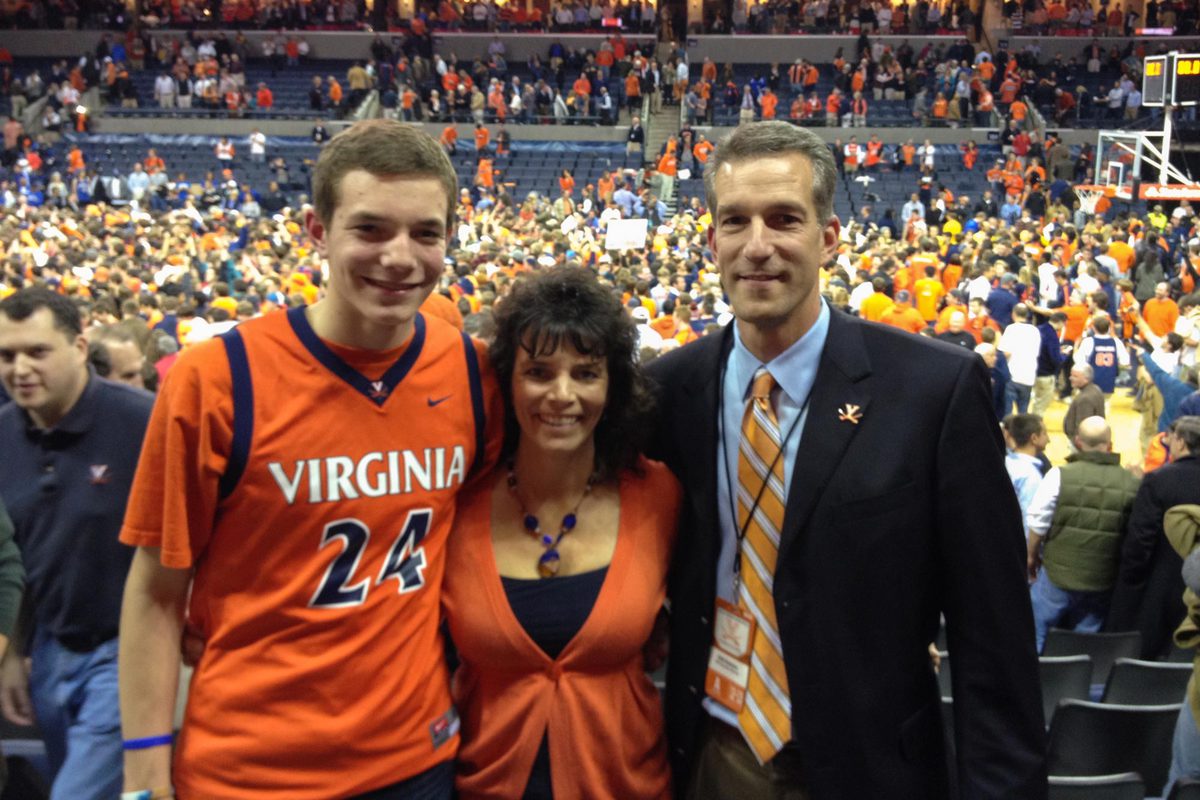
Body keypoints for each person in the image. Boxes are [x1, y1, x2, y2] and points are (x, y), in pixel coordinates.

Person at [645, 121, 1046, 799]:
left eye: (784, 219)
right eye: (735, 221)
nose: (758, 246)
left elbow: (994, 642)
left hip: (873, 769)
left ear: (830, 237)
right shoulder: (668, 391)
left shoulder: (933, 391)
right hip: (712, 758)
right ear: (711, 239)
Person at [116, 120, 503, 799]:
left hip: (416, 759)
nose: (400, 257)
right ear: (316, 232)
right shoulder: (217, 377)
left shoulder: (471, 373)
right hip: (248, 769)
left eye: (426, 233)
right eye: (371, 229)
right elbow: (154, 591)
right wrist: (144, 772)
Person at [443, 267, 679, 799]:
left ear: (613, 384)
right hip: (483, 782)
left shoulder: (660, 496)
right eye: (540, 372)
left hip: (630, 784)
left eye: (586, 373)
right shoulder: (455, 505)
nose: (562, 395)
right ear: (507, 379)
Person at [0, 288, 153, 798]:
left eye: (36, 352)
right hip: (51, 650)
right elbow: (13, 558)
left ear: (80, 348)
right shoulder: (2, 436)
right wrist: (15, 653)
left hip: (128, 653)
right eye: (6, 355)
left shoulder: (141, 421)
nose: (20, 368)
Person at [1024, 416, 1140, 652]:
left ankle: (1032, 682)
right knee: (1085, 642)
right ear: (1110, 444)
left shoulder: (1059, 475)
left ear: (1077, 441)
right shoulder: (1132, 482)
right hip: (1102, 579)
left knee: (1036, 634)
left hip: (1057, 575)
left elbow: (1038, 522)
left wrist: (1031, 557)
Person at [1108, 416, 1200, 660]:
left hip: (1159, 587)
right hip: (1195, 591)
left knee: (1144, 658)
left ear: (1180, 442)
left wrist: (1129, 585)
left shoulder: (1160, 479)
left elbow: (1140, 539)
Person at [1062, 363, 1105, 442]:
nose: (1070, 378)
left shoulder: (1085, 399)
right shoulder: (1096, 389)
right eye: (1071, 375)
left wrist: (1078, 443)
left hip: (1080, 444)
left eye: (1075, 376)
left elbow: (1082, 428)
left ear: (1086, 379)